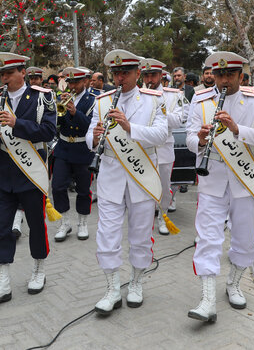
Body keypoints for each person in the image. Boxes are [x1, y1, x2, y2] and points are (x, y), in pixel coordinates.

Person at [186, 51, 254, 322]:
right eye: (218, 74)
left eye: (229, 75)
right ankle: (208, 299)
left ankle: (233, 284)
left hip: (244, 181)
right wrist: (199, 140)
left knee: (245, 239)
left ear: (240, 76)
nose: (223, 80)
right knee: (208, 238)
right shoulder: (200, 100)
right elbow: (189, 136)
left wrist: (237, 129)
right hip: (212, 178)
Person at [86, 49, 168, 315]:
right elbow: (90, 135)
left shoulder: (154, 100)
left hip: (141, 176)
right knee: (107, 236)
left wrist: (130, 127)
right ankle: (111, 288)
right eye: (116, 73)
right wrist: (95, 138)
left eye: (125, 73)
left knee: (140, 235)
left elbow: (161, 134)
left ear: (137, 74)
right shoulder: (102, 101)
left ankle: (136, 281)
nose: (120, 77)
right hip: (111, 175)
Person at [0, 52, 57, 308]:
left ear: (22, 72)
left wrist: (17, 123)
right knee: (2, 228)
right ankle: (3, 282)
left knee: (36, 224)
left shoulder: (42, 97)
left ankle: (39, 268)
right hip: (4, 172)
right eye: (1, 74)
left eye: (9, 73)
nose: (4, 78)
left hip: (31, 172)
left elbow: (48, 131)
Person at [141, 58, 186, 235]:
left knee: (164, 184)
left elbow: (177, 120)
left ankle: (163, 216)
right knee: (143, 183)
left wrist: (160, 110)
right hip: (143, 145)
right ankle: (145, 217)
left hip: (163, 146)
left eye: (153, 75)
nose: (150, 79)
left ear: (161, 76)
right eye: (147, 75)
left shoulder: (174, 95)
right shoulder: (138, 94)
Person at [52, 67, 95, 242]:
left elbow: (89, 126)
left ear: (84, 81)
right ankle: (65, 222)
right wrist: (58, 108)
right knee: (57, 186)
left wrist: (75, 112)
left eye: (76, 82)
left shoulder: (92, 100)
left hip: (82, 148)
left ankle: (82, 222)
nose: (72, 86)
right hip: (63, 148)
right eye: (70, 83)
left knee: (83, 189)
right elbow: (58, 122)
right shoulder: (63, 97)